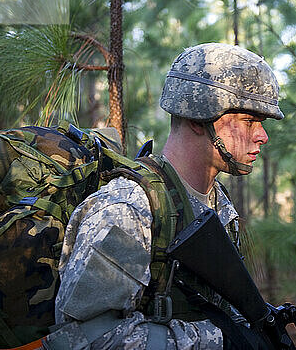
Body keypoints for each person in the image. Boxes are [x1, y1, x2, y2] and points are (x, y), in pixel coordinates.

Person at [50, 42, 283, 349]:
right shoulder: (128, 207)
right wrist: (219, 339)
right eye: (249, 121)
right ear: (199, 119)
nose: (262, 136)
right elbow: (85, 338)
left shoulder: (218, 203)